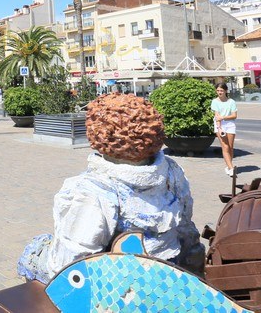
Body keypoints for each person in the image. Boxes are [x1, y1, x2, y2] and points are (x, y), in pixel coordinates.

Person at [17, 93, 204, 284]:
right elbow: (187, 231)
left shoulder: (91, 190)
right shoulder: (173, 172)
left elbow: (69, 265)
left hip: (119, 285)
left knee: (33, 250)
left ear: (97, 133)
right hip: (168, 269)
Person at [210, 82, 238, 177]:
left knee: (230, 146)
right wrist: (219, 127)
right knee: (225, 147)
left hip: (230, 124)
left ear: (226, 91)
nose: (219, 92)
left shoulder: (231, 102)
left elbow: (234, 115)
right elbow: (217, 116)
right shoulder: (215, 101)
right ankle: (231, 168)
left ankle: (228, 165)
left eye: (221, 90)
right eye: (217, 90)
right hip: (220, 124)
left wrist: (224, 118)